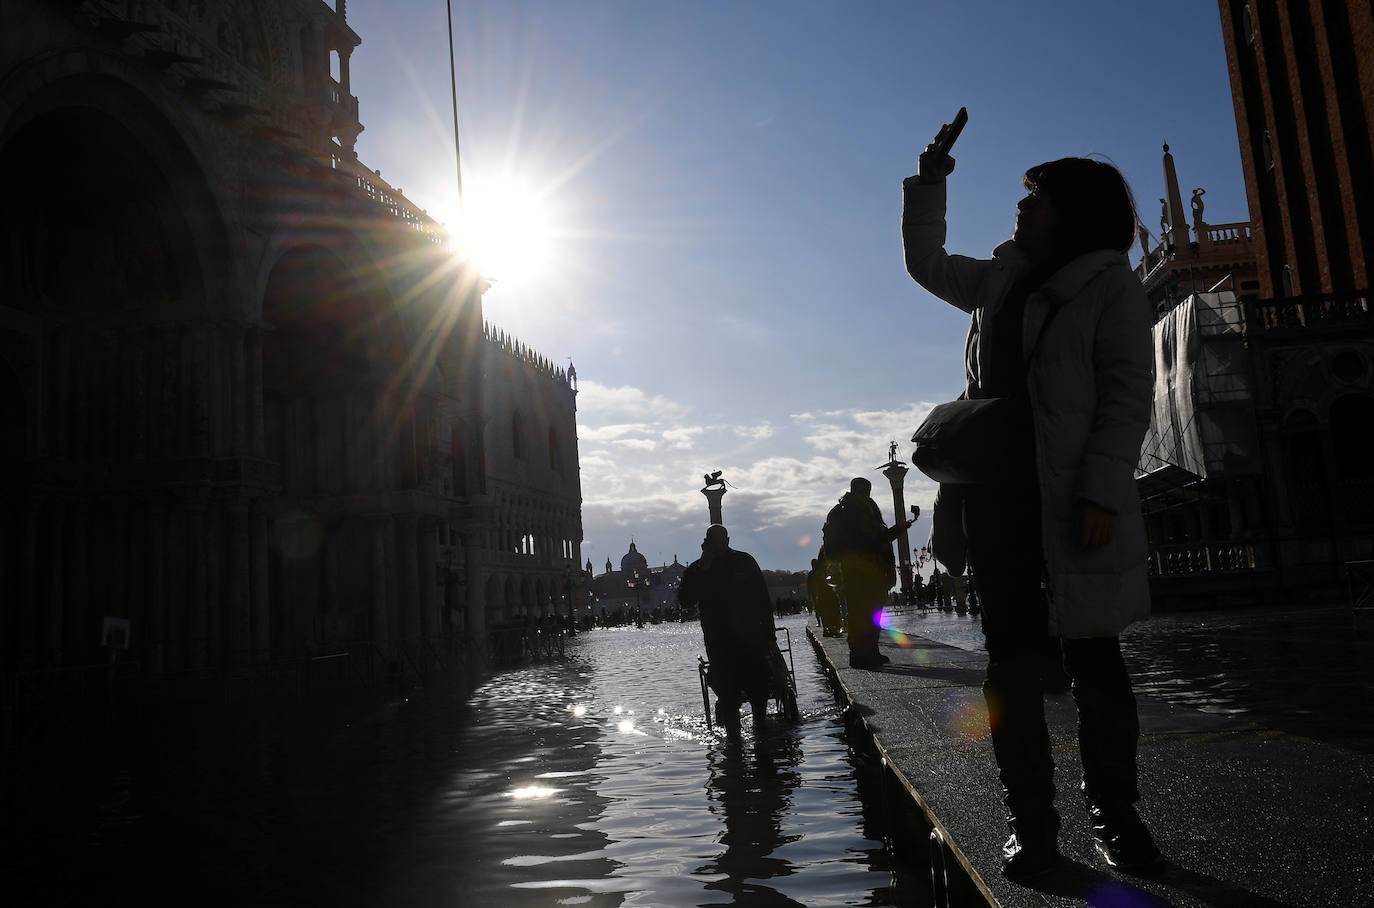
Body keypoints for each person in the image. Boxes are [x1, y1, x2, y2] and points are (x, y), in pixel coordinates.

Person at [902, 134, 1160, 878]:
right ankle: (1033, 830)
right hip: (996, 501)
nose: (1020, 205)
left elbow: (1125, 397)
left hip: (1076, 497)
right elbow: (927, 265)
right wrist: (929, 185)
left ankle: (1117, 818)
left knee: (1095, 655)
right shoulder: (1001, 277)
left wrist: (1103, 491)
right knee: (1010, 665)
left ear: (1068, 211)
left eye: (1034, 196)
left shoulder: (1110, 285)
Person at [678, 524, 779, 737]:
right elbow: (685, 600)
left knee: (757, 685)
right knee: (727, 690)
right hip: (719, 640)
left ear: (728, 541)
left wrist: (770, 635)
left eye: (722, 542)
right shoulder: (698, 569)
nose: (720, 547)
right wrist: (702, 570)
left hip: (749, 636)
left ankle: (760, 728)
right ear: (706, 544)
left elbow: (762, 600)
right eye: (715, 543)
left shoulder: (744, 562)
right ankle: (734, 736)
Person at [822, 478, 913, 669]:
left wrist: (899, 529)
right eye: (862, 490)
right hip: (856, 571)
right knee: (859, 613)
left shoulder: (867, 509)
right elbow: (871, 540)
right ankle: (858, 655)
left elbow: (879, 537)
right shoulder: (847, 513)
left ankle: (871, 651)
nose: (865, 494)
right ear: (853, 490)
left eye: (867, 491)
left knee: (874, 613)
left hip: (875, 570)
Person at [807, 547, 844, 637]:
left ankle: (827, 628)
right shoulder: (822, 570)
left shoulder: (814, 573)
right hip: (826, 593)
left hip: (821, 594)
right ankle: (832, 628)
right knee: (831, 610)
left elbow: (811, 586)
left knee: (824, 612)